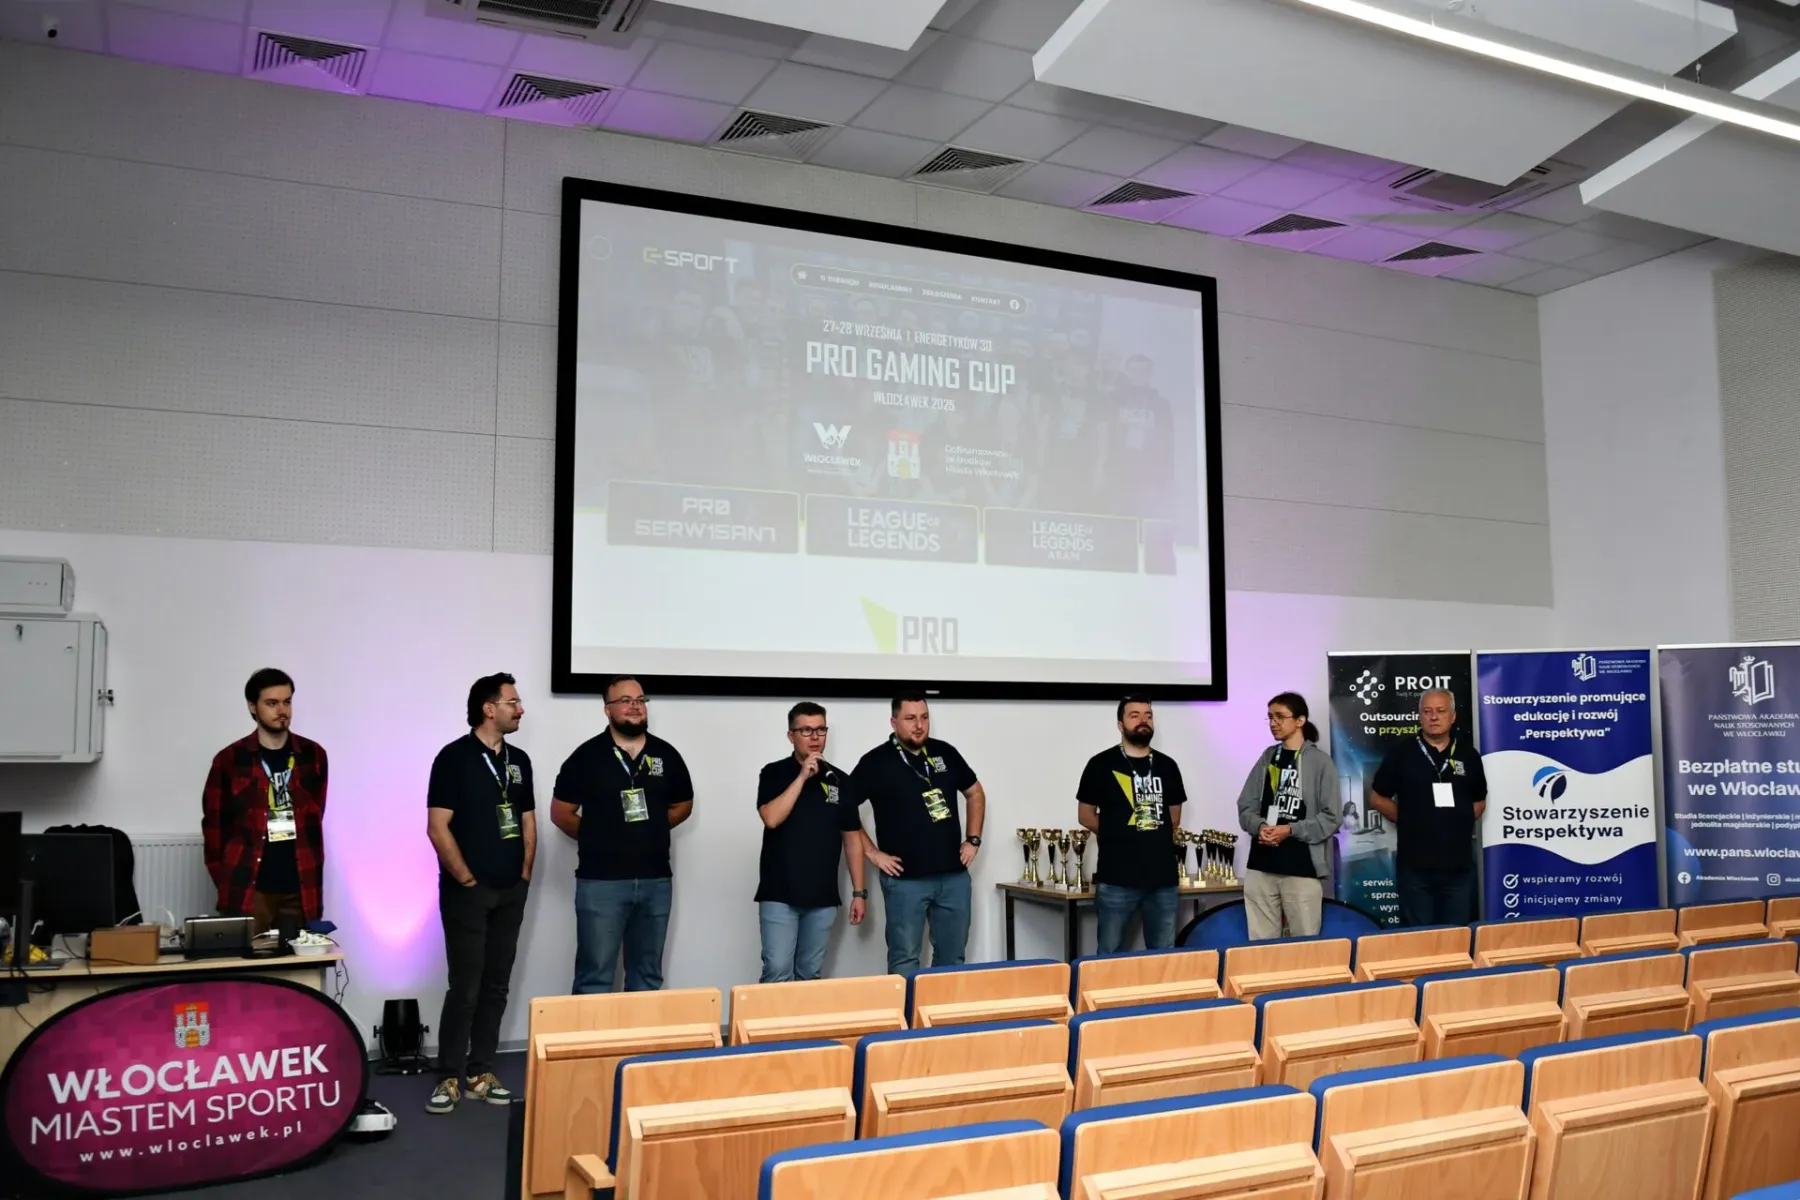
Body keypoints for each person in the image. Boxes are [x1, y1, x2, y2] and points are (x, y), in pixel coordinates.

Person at [425, 673, 536, 1115]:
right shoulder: (453, 758)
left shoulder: (519, 760)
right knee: (465, 987)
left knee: (496, 986)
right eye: (513, 702)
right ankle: (449, 1076)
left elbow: (526, 820)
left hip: (511, 890)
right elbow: (437, 827)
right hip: (467, 894)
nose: (520, 709)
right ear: (489, 709)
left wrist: (524, 873)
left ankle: (480, 1072)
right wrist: (466, 879)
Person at [552, 676, 694, 993]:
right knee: (594, 977)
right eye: (625, 701)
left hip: (655, 881)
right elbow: (561, 813)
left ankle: (641, 1030)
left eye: (640, 700)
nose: (635, 706)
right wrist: (600, 836)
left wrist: (652, 827)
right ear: (607, 709)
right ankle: (591, 1031)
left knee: (648, 978)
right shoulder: (586, 756)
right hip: (600, 882)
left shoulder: (666, 754)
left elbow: (684, 804)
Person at [850, 693, 986, 975]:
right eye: (910, 718)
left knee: (952, 960)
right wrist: (872, 853)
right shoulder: (876, 761)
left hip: (953, 877)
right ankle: (906, 1007)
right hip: (904, 881)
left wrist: (973, 840)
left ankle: (942, 1007)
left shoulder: (945, 753)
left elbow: (974, 793)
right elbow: (844, 808)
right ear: (894, 722)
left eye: (924, 718)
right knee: (904, 960)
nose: (919, 725)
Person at [202, 668, 328, 934]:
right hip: (249, 887)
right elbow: (214, 829)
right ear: (252, 706)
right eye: (272, 703)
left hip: (300, 886)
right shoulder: (229, 760)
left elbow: (316, 815)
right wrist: (226, 882)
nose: (282, 711)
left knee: (298, 958)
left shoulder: (313, 756)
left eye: (287, 702)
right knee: (246, 958)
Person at [754, 702, 868, 982]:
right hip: (780, 893)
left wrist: (859, 892)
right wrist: (803, 775)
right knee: (777, 969)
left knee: (810, 975)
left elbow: (852, 839)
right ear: (791, 736)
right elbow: (771, 818)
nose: (815, 737)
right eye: (806, 730)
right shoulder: (774, 773)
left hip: (822, 897)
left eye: (821, 730)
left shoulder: (840, 780)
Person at [1076, 697, 1188, 952]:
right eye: (1134, 715)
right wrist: (1116, 832)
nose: (1143, 721)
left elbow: (1174, 817)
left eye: (1148, 715)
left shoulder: (1168, 766)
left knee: (1164, 956)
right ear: (1120, 724)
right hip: (1116, 879)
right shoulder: (1100, 764)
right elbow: (1085, 815)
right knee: (1109, 955)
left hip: (1162, 880)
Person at [1370, 689, 1487, 926]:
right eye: (1427, 711)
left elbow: (1479, 800)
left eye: (1441, 711)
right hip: (1415, 866)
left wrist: (1457, 821)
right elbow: (1377, 798)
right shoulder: (1401, 753)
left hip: (1458, 865)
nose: (1434, 717)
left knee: (1457, 935)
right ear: (1420, 716)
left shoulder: (1468, 755)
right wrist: (1409, 820)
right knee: (1419, 937)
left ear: (1452, 716)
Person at [1235, 692, 1343, 940]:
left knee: (1304, 947)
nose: (1273, 723)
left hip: (1301, 869)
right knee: (1261, 947)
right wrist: (1260, 827)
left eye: (1280, 717)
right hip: (1261, 867)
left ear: (1300, 721)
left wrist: (1290, 830)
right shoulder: (1267, 757)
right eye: (1270, 717)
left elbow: (1332, 817)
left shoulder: (1320, 762)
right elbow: (1245, 806)